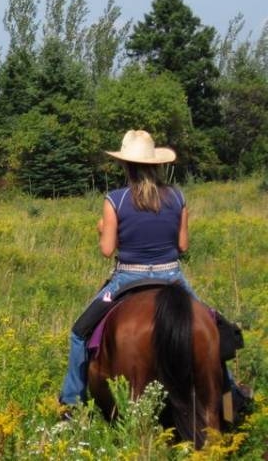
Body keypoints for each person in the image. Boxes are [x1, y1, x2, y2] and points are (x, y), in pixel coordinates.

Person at [58, 130, 250, 411]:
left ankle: (72, 403)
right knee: (215, 331)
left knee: (79, 334)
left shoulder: (115, 200)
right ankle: (232, 396)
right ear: (156, 164)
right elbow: (183, 245)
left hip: (128, 277)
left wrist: (103, 230)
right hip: (172, 276)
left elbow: (107, 250)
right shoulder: (177, 197)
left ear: (125, 164)